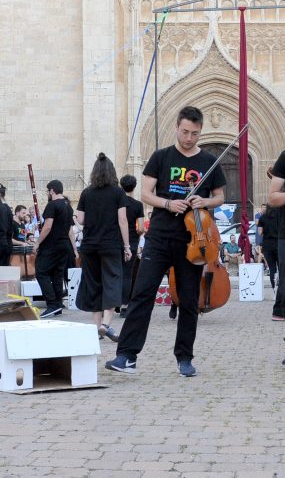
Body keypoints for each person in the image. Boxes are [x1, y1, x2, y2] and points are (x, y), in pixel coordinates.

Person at [105, 106, 226, 378]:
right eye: (185, 132)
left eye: (195, 133)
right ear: (176, 127)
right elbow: (147, 194)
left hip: (193, 240)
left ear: (200, 131)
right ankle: (126, 355)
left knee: (189, 299)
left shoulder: (208, 160)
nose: (189, 138)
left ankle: (184, 357)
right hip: (160, 236)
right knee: (142, 294)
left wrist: (203, 201)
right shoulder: (161, 157)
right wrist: (169, 203)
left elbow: (219, 196)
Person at [75, 153, 131, 341]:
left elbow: (80, 220)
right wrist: (127, 246)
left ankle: (96, 328)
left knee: (93, 286)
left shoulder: (86, 192)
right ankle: (106, 324)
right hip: (110, 245)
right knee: (113, 281)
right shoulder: (118, 192)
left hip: (89, 246)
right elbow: (122, 220)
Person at [34, 180, 75, 318]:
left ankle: (52, 304)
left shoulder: (52, 205)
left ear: (52, 190)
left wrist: (37, 242)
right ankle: (57, 303)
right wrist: (74, 248)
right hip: (64, 245)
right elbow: (70, 230)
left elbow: (48, 226)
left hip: (52, 245)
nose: (48, 194)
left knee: (41, 272)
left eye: (48, 191)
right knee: (57, 275)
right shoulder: (68, 206)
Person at [119, 174, 145, 318]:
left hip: (116, 241)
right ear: (134, 187)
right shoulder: (137, 205)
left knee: (115, 273)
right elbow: (141, 228)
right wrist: (136, 232)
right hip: (132, 242)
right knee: (128, 275)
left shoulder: (115, 203)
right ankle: (124, 306)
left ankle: (112, 304)